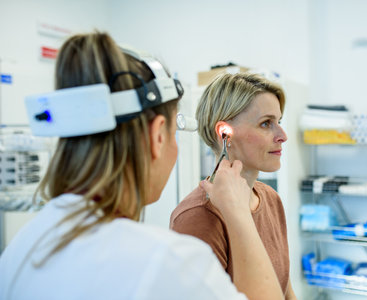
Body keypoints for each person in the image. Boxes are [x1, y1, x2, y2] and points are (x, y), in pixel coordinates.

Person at [0, 32, 284, 300]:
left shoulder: (22, 247)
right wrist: (237, 214)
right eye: (175, 132)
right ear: (157, 135)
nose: (280, 135)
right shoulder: (167, 262)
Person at [170, 73, 297, 299]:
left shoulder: (270, 198)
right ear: (225, 134)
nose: (282, 136)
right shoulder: (196, 218)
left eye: (279, 122)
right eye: (266, 123)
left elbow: (284, 289)